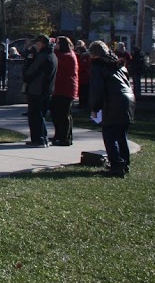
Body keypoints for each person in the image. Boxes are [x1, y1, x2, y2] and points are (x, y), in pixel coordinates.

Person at [89, 40, 136, 177]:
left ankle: (116, 165)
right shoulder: (118, 64)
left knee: (109, 135)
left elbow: (97, 89)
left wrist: (95, 108)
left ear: (94, 54)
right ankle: (124, 163)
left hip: (113, 101)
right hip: (128, 99)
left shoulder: (98, 66)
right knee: (121, 135)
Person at [23, 35, 57, 147]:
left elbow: (31, 71)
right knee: (40, 115)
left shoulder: (43, 56)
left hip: (37, 89)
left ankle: (39, 139)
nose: (35, 46)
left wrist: (26, 78)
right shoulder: (52, 55)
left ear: (41, 44)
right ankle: (42, 138)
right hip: (47, 89)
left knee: (35, 115)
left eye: (37, 43)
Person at [50, 36, 78, 146]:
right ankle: (59, 135)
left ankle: (65, 138)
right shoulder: (62, 54)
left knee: (63, 115)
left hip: (66, 89)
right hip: (59, 88)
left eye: (57, 43)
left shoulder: (68, 56)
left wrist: (52, 51)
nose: (55, 46)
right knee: (55, 112)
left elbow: (57, 61)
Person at [75, 41, 92, 111]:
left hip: (84, 77)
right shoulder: (84, 56)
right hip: (83, 77)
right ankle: (82, 104)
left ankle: (83, 105)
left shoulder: (84, 57)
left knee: (83, 92)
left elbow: (83, 67)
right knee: (82, 92)